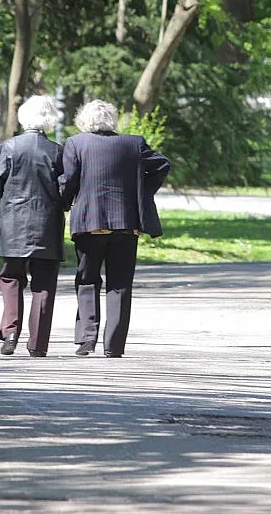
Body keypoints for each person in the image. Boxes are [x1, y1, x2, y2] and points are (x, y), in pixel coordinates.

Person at [59, 99, 170, 358]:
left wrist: (63, 204)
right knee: (120, 284)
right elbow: (162, 164)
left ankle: (87, 340)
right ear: (112, 119)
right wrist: (142, 191)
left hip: (89, 222)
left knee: (87, 280)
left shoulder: (76, 143)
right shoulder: (134, 143)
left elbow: (68, 180)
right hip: (126, 224)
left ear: (84, 120)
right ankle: (114, 346)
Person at [0, 95, 65, 357]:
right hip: (47, 224)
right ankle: (38, 344)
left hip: (13, 223)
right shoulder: (58, 151)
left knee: (11, 277)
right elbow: (65, 190)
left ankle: (10, 332)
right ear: (50, 120)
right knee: (44, 283)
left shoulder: (6, 148)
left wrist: (5, 205)